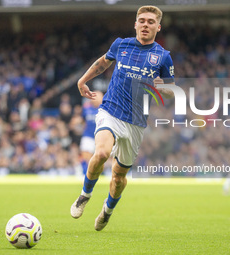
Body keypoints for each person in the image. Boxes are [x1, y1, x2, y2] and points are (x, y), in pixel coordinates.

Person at [71, 5, 175, 231]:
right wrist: (82, 80)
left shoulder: (163, 57)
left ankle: (107, 210)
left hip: (136, 123)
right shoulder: (121, 44)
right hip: (111, 111)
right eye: (142, 20)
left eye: (150, 21)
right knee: (100, 153)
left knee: (118, 177)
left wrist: (162, 87)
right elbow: (102, 63)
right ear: (135, 24)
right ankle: (84, 195)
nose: (145, 24)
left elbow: (172, 90)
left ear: (158, 27)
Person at [79, 91, 104, 175]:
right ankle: (85, 174)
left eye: (98, 97)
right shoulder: (86, 108)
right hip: (88, 135)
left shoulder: (105, 109)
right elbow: (82, 120)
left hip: (101, 137)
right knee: (86, 156)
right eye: (94, 96)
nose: (95, 99)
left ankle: (99, 173)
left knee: (100, 158)